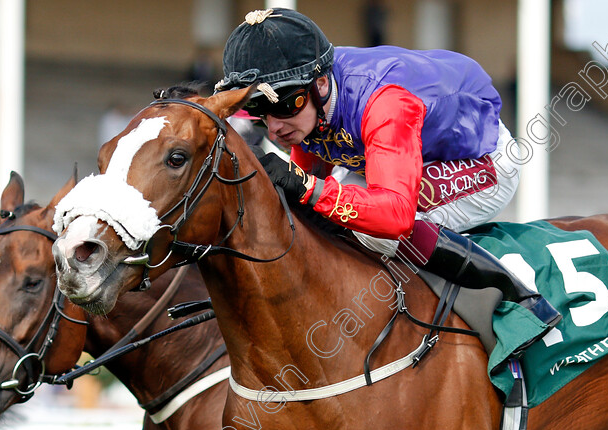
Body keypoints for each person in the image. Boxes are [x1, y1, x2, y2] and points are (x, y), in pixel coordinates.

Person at [215, 8, 560, 347]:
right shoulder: (308, 103)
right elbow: (301, 194)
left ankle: (515, 299)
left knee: (371, 230)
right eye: (259, 112)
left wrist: (306, 187)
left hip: (482, 160)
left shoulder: (386, 104)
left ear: (321, 84)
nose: (273, 127)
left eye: (285, 105)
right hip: (404, 152)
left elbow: (395, 215)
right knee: (322, 214)